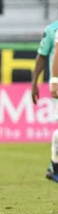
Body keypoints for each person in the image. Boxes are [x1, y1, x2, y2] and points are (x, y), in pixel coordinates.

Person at [32, 20, 58, 182]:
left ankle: (54, 164)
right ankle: (55, 165)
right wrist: (34, 83)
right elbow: (42, 57)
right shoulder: (52, 30)